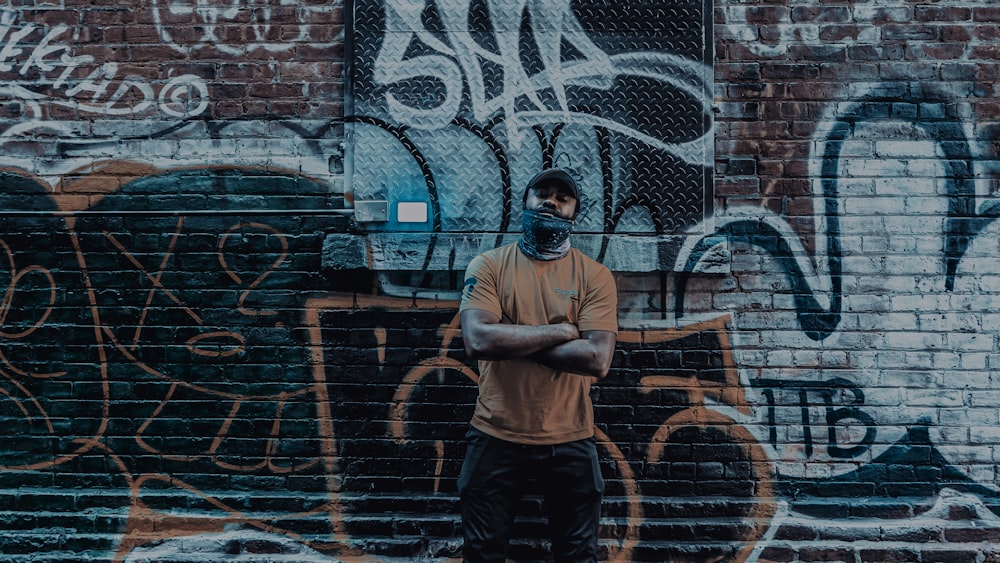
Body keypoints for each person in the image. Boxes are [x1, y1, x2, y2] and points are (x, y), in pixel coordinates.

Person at [458, 168, 619, 563]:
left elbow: (597, 359)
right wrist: (563, 331)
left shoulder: (594, 276)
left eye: (562, 197)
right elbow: (479, 340)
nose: (551, 201)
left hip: (570, 436)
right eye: (542, 193)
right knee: (482, 554)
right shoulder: (490, 266)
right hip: (495, 433)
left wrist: (511, 337)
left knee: (578, 556)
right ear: (525, 203)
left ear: (574, 213)